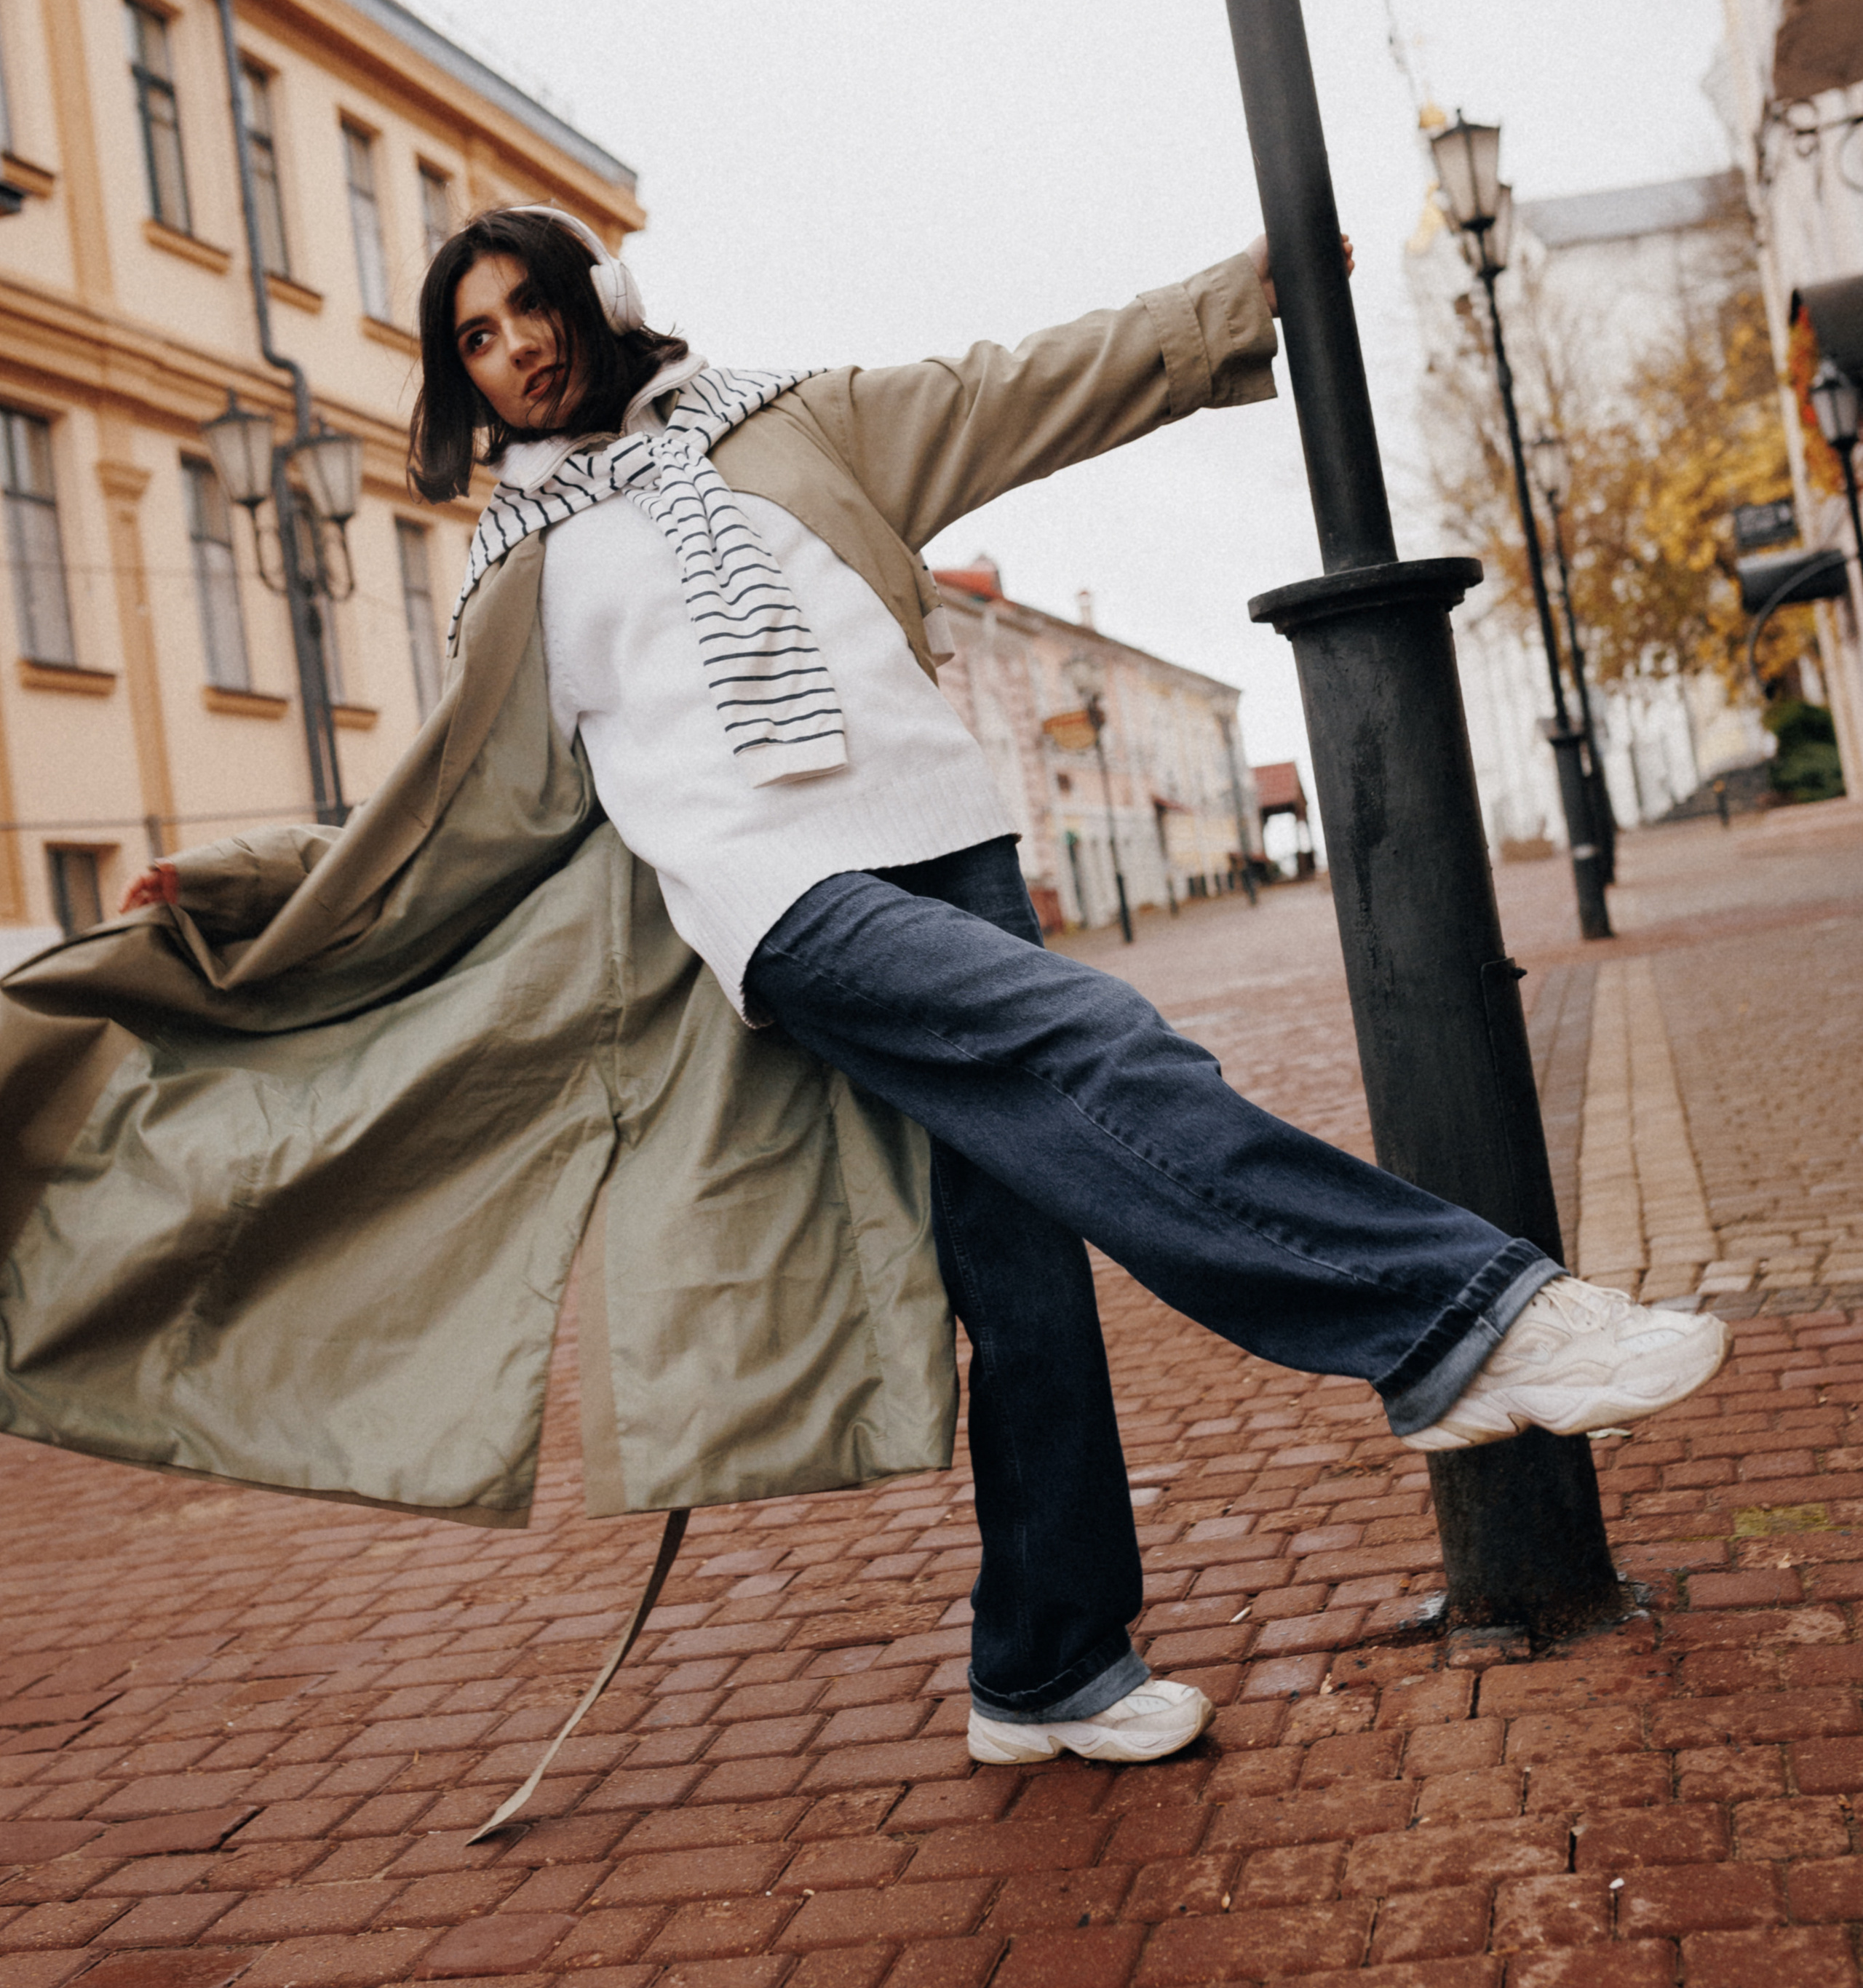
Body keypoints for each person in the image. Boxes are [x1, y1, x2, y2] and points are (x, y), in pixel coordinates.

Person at [84, 210, 1725, 1772]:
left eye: (529, 307)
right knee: (1091, 1040)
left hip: (955, 848)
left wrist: (1237, 298)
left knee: (1027, 1283)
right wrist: (254, 883)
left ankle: (1046, 1669)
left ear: (594, 301)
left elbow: (1016, 388)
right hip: (781, 899)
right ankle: (1453, 1325)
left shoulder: (795, 424)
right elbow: (450, 819)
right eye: (473, 338)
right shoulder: (520, 571)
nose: (513, 347)